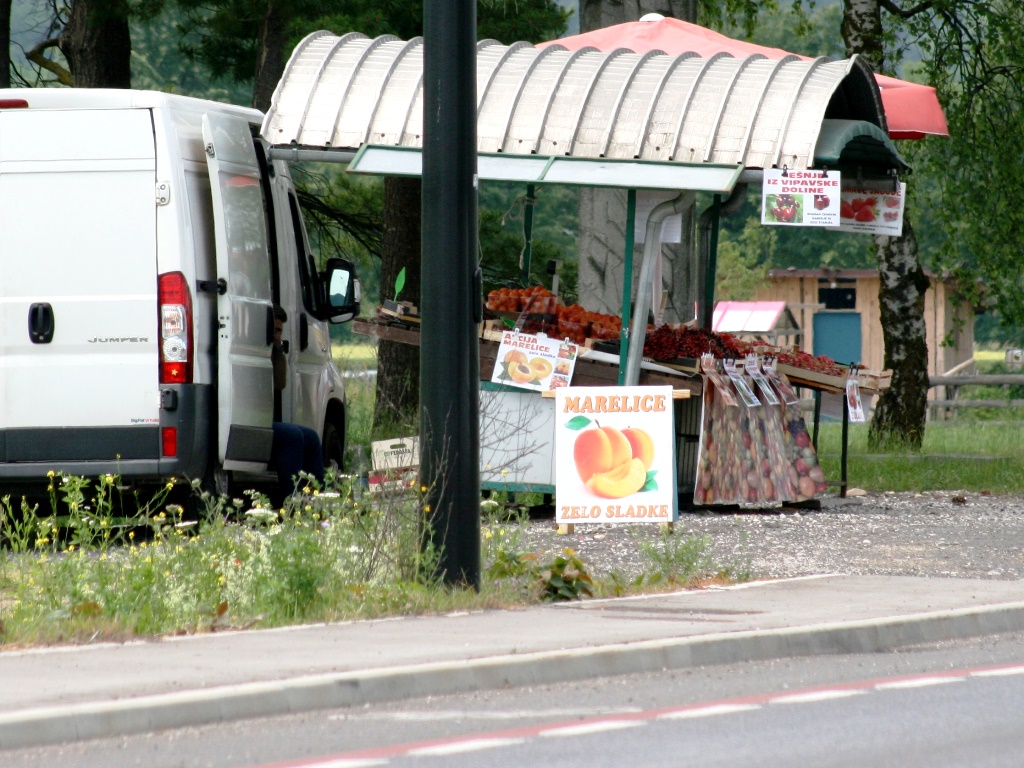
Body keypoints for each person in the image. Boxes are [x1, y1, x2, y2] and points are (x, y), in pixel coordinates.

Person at [270, 305, 325, 501]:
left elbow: (279, 383)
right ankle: (293, 500)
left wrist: (277, 351)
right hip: (248, 424)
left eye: (280, 331)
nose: (278, 336)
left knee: (310, 437)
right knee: (292, 437)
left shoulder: (272, 351)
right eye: (275, 331)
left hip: (263, 423)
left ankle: (317, 498)